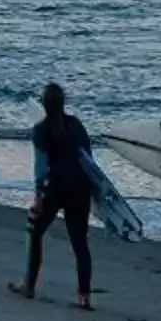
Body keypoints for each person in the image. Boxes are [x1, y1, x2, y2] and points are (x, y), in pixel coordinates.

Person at [12, 83, 107, 309]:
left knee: (34, 231)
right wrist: (95, 191)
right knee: (80, 243)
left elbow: (41, 168)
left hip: (55, 188)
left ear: (44, 105)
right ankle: (84, 297)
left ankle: (29, 285)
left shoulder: (41, 130)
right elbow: (88, 159)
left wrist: (38, 199)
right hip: (79, 188)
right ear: (64, 103)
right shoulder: (76, 125)